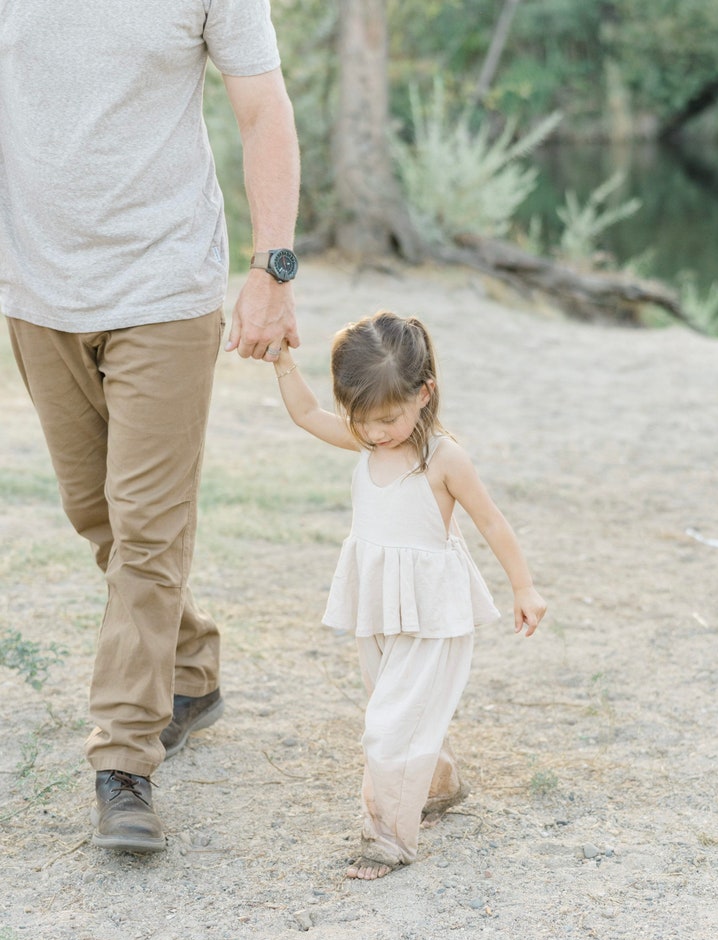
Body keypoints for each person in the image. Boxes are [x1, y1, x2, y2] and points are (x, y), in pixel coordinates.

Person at [0, 1, 300, 853]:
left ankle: (122, 761)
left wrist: (271, 269)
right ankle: (191, 668)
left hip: (163, 288)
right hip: (37, 289)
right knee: (97, 514)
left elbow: (262, 109)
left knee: (145, 530)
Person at [270, 312, 547, 879]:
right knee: (395, 710)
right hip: (378, 604)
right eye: (364, 420)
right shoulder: (364, 437)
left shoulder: (443, 459)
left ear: (425, 394)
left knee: (389, 724)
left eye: (389, 419)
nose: (375, 433)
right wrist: (281, 359)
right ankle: (439, 785)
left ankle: (387, 839)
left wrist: (524, 586)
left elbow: (492, 522)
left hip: (431, 613)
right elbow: (303, 413)